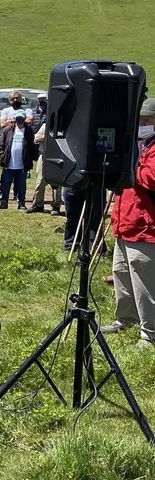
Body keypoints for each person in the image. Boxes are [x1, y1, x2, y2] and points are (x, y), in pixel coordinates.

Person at [100, 98, 155, 347]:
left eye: (146, 121)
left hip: (146, 227)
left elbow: (151, 178)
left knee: (145, 282)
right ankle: (126, 319)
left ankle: (150, 333)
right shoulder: (136, 145)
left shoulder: (148, 150)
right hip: (124, 222)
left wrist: (132, 164)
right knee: (121, 273)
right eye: (139, 120)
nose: (141, 125)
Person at [28, 93, 62, 215]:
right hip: (44, 155)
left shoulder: (64, 128)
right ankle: (38, 204)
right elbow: (36, 139)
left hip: (59, 157)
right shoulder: (45, 126)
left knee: (58, 184)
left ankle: (57, 206)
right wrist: (49, 136)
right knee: (40, 181)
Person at [0, 110, 36, 210]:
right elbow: (0, 144)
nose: (19, 121)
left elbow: (32, 147)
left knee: (21, 185)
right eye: (17, 119)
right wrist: (2, 156)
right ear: (14, 119)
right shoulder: (7, 130)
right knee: (5, 184)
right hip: (8, 163)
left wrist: (30, 159)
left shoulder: (29, 131)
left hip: (22, 164)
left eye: (21, 119)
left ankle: (21, 203)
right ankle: (3, 202)